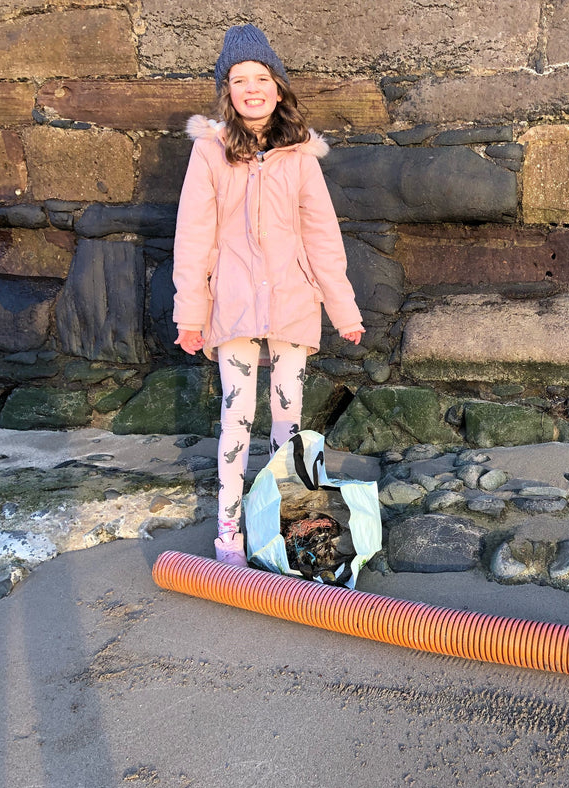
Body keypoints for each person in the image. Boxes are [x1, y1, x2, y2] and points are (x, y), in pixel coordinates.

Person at [172, 24, 364, 567]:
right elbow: (193, 237)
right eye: (239, 80)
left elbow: (323, 236)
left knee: (287, 419)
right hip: (230, 305)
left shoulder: (301, 156)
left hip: (292, 303)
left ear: (278, 88)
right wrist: (191, 314)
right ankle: (228, 534)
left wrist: (343, 309)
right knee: (236, 417)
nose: (251, 88)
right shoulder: (209, 153)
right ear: (227, 91)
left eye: (261, 78)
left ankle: (281, 527)